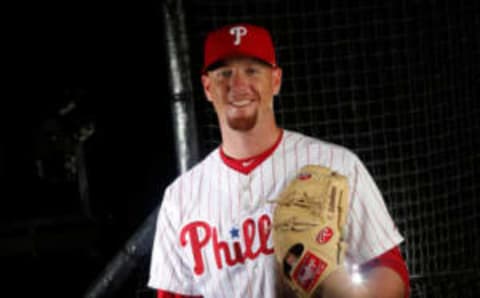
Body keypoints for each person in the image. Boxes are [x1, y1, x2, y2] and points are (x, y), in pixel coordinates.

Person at [148, 23, 410, 298]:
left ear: (275, 80)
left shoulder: (338, 164)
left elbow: (390, 268)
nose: (238, 85)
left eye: (252, 70)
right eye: (225, 73)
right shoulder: (180, 198)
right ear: (207, 87)